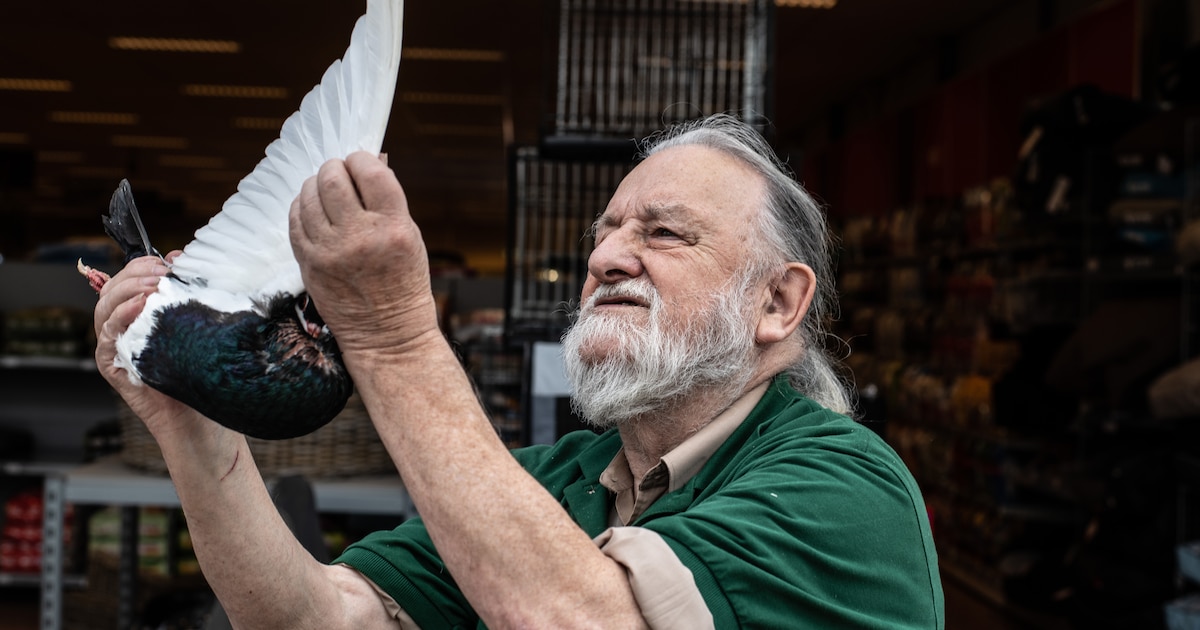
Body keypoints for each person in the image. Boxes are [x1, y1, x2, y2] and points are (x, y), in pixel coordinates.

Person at [93, 114, 944, 629]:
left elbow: (585, 619)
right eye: (604, 233)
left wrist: (389, 333)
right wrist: (189, 426)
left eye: (663, 234)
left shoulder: (845, 489)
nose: (607, 256)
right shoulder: (551, 483)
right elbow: (312, 619)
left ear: (778, 304)